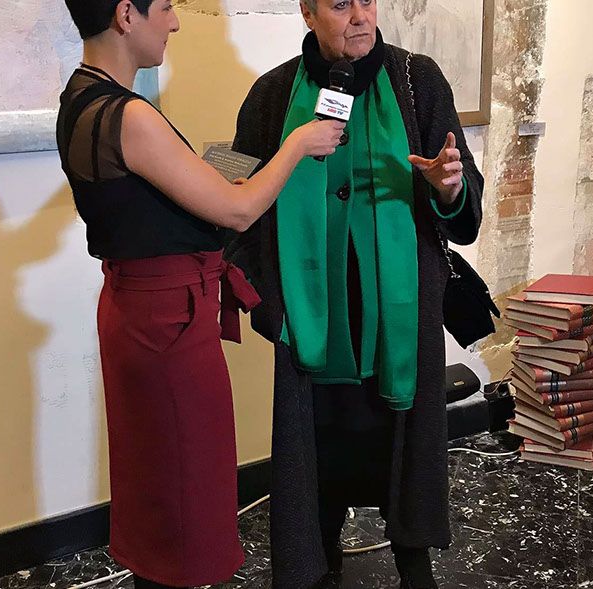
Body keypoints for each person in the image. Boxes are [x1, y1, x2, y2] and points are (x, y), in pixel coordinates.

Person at [57, 1, 345, 588]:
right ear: (125, 15)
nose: (175, 21)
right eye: (165, 7)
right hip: (169, 323)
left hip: (133, 311)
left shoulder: (78, 97)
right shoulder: (131, 115)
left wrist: (212, 181)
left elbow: (146, 204)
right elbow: (237, 212)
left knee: (155, 483)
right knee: (187, 484)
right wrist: (296, 144)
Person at [226, 1, 484, 587]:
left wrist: (449, 188)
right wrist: (268, 308)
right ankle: (321, 563)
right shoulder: (270, 96)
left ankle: (413, 563)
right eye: (341, 4)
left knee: (402, 449)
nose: (360, 16)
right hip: (309, 323)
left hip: (398, 322)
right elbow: (229, 202)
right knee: (318, 460)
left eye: (367, 0)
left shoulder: (418, 81)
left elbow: (465, 204)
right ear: (308, 11)